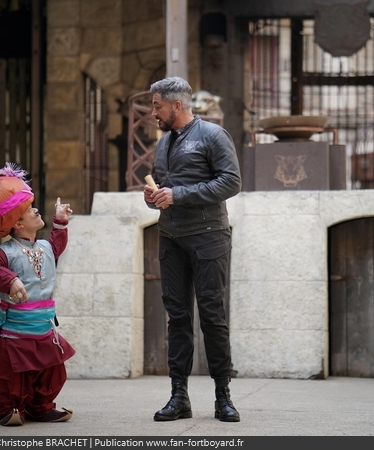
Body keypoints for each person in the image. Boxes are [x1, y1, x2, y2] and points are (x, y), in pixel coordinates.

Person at [143, 77, 242, 422]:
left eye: (157, 105)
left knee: (212, 317)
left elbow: (231, 181)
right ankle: (178, 397)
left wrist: (178, 195)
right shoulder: (163, 143)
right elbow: (167, 191)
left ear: (176, 106)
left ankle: (223, 397)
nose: (153, 112)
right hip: (170, 237)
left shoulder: (213, 135)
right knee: (178, 318)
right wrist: (155, 197)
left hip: (208, 237)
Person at [0, 163, 76, 426]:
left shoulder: (45, 246)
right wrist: (12, 280)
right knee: (12, 374)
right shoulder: (3, 253)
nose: (36, 209)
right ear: (17, 223)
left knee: (51, 370)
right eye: (30, 209)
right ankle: (10, 407)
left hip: (43, 328)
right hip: (15, 332)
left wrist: (60, 221)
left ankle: (40, 407)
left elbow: (57, 243)